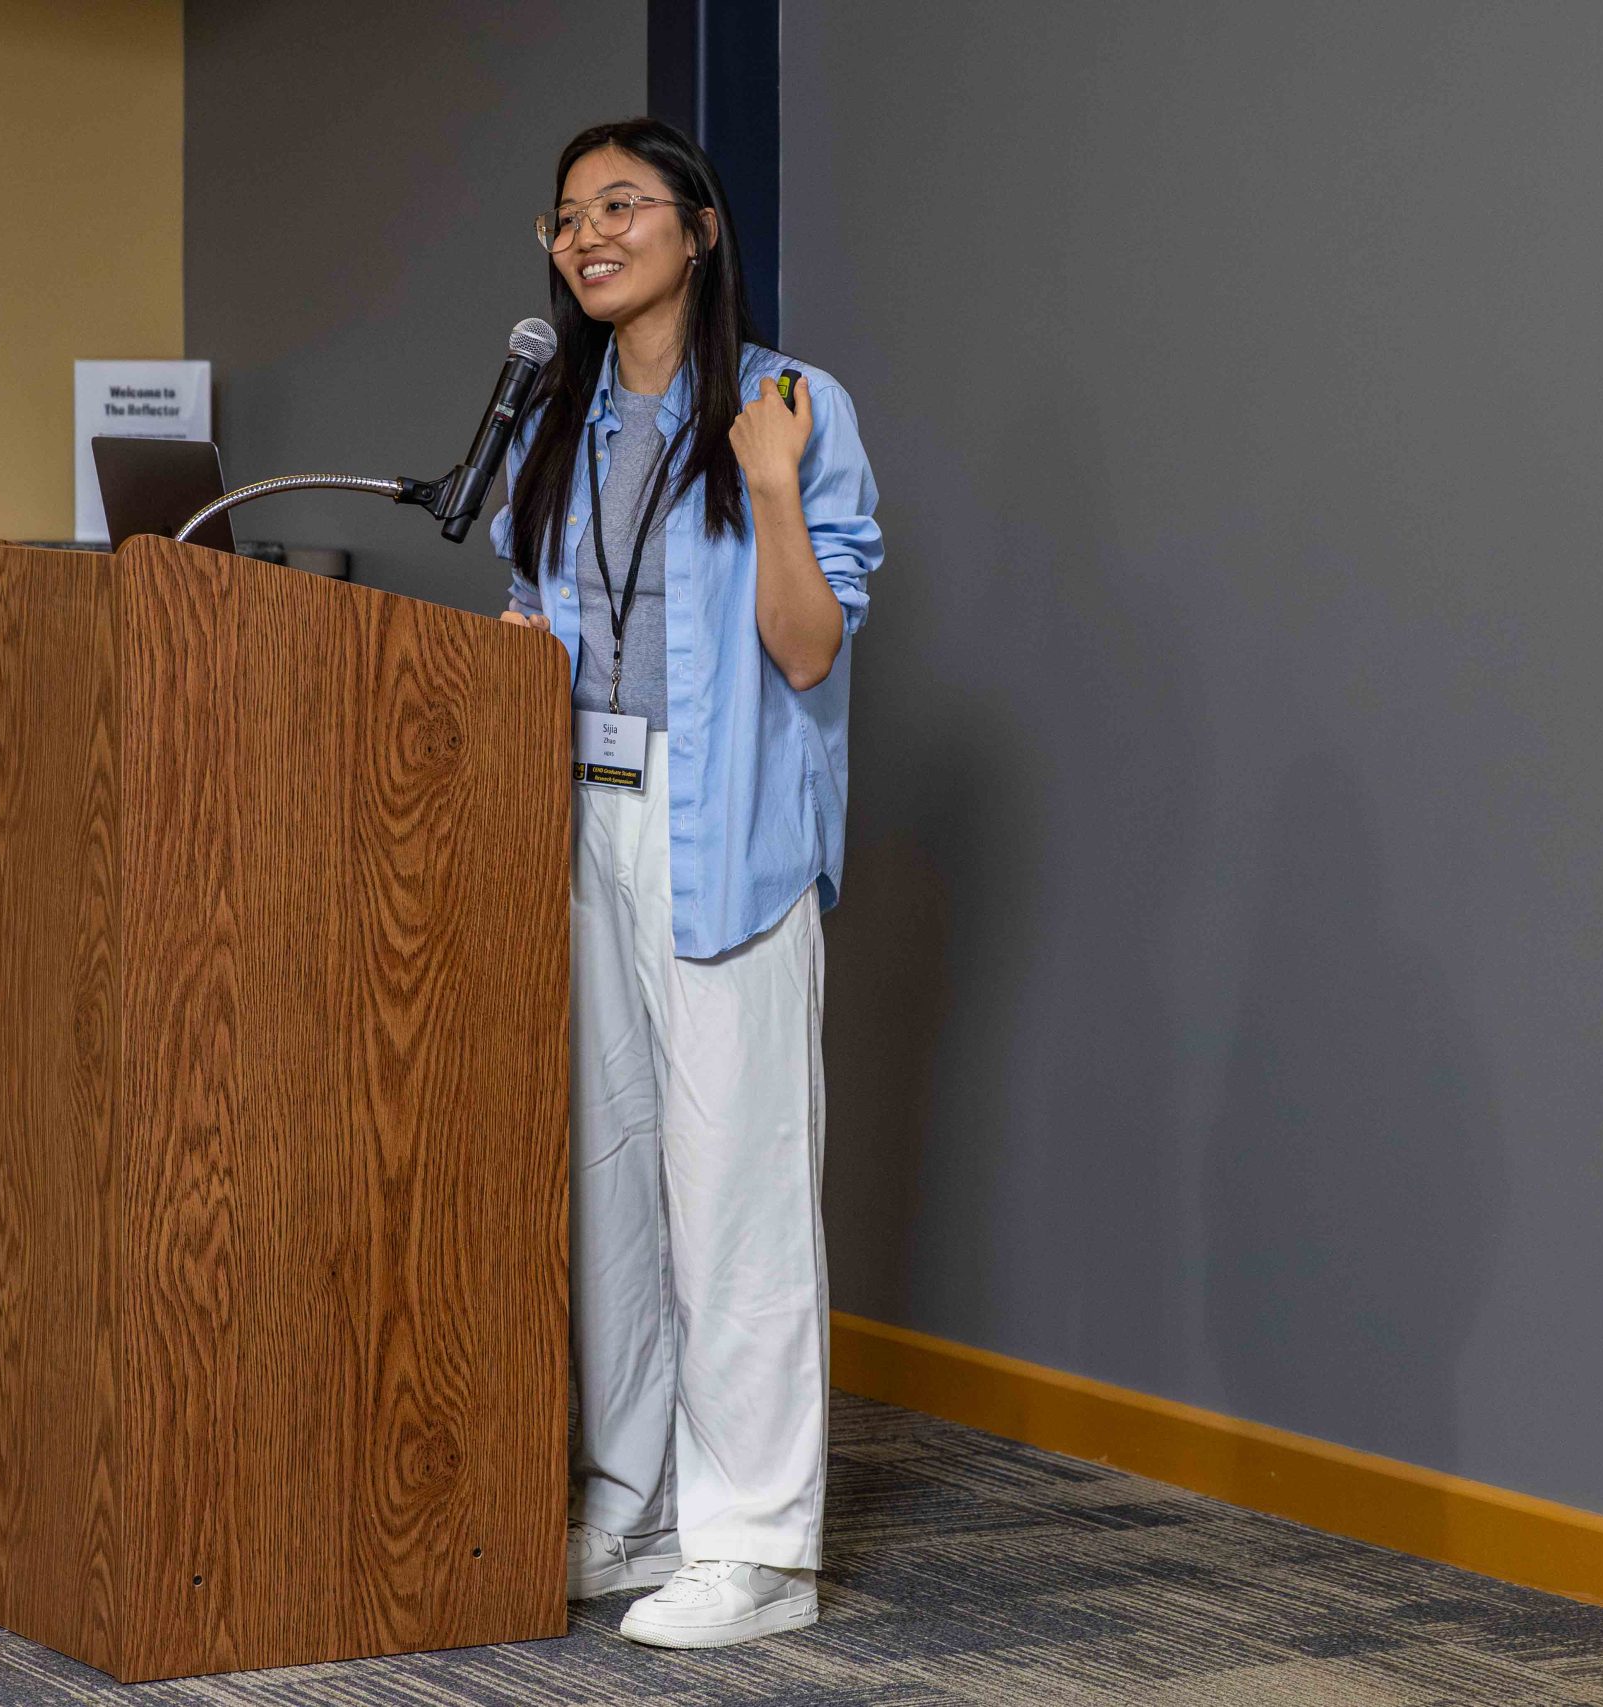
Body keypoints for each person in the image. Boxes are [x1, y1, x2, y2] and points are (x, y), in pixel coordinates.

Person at [491, 116, 881, 1651]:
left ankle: (757, 1548)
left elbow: (809, 648)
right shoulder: (556, 418)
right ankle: (635, 1500)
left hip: (722, 838)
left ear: (700, 230)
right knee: (609, 1184)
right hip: (573, 826)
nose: (587, 233)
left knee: (736, 1196)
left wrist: (771, 487)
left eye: (621, 204)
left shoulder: (789, 405)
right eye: (568, 214)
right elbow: (539, 615)